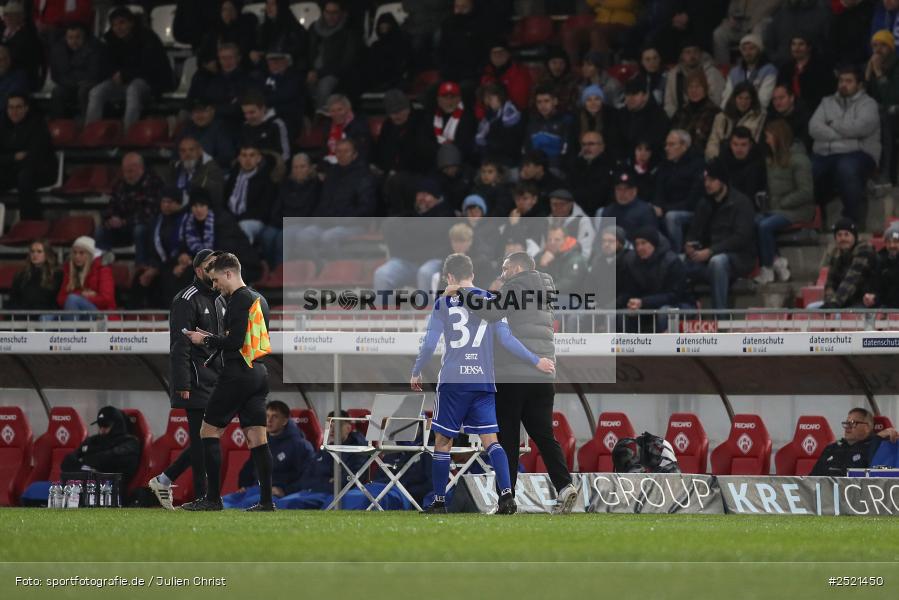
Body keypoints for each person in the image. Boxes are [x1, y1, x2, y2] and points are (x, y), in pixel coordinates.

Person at [413, 253, 556, 514]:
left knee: (443, 441)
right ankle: (506, 495)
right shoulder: (491, 299)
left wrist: (417, 370)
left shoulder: (443, 302)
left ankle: (439, 501)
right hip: (483, 380)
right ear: (473, 275)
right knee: (492, 441)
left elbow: (430, 343)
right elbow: (507, 339)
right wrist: (537, 361)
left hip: (454, 380)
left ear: (449, 277)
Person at [450, 251, 577, 514]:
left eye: (505, 268)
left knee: (506, 439)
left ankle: (506, 499)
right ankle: (565, 486)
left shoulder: (516, 285)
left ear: (518, 268)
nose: (502, 273)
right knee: (544, 435)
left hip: (515, 375)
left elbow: (492, 312)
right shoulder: (546, 286)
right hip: (544, 375)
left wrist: (462, 292)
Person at [182, 252, 274, 512]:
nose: (215, 286)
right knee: (257, 438)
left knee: (208, 432)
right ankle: (266, 502)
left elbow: (234, 343)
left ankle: (212, 498)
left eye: (216, 280)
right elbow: (245, 339)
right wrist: (214, 336)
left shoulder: (238, 299)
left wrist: (205, 340)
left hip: (238, 373)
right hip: (259, 373)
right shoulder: (260, 299)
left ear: (229, 273)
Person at [148, 249, 224, 510]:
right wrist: (182, 384)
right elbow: (180, 346)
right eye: (210, 264)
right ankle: (203, 497)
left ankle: (164, 479)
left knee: (207, 440)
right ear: (199, 270)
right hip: (195, 379)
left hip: (215, 379)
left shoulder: (220, 299)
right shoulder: (186, 299)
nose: (215, 268)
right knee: (203, 440)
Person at [809, 65, 881, 224]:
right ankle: (816, 219)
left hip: (859, 153)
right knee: (809, 171)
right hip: (826, 153)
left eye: (849, 81)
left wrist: (832, 124)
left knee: (846, 168)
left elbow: (860, 127)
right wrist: (842, 134)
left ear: (859, 85)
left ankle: (852, 222)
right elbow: (813, 128)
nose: (843, 84)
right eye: (841, 80)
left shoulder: (868, 104)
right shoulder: (826, 102)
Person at [683, 160, 756, 309]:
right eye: (706, 180)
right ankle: (688, 310)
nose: (707, 184)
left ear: (722, 181)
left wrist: (711, 251)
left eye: (712, 180)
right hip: (706, 256)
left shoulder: (741, 202)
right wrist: (689, 244)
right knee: (676, 262)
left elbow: (741, 238)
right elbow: (694, 232)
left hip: (738, 258)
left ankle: (719, 318)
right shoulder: (704, 203)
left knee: (718, 261)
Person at [85, 6, 173, 130]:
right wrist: (114, 73)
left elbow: (151, 67)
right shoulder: (109, 39)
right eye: (114, 25)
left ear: (131, 23)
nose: (118, 28)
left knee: (133, 89)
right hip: (121, 81)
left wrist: (125, 74)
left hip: (149, 82)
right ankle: (91, 132)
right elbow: (103, 65)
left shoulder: (148, 37)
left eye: (122, 23)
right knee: (96, 92)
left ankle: (129, 133)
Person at [222, 401, 315, 509]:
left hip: (274, 493)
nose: (269, 420)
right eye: (267, 416)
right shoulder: (261, 442)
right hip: (253, 489)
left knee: (241, 506)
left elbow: (308, 475)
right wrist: (244, 486)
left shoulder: (300, 445)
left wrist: (285, 491)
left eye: (275, 416)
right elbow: (249, 468)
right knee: (221, 502)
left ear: (285, 421)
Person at [754, 119, 814, 284]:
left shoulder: (799, 160)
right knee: (755, 221)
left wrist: (783, 203)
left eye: (769, 137)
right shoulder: (771, 161)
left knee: (765, 226)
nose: (766, 141)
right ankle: (777, 261)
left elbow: (806, 192)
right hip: (778, 208)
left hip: (798, 210)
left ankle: (767, 268)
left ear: (778, 138)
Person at [96, 153, 164, 265]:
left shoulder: (153, 183)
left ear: (141, 168)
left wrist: (124, 221)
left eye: (130, 171)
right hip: (123, 227)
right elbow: (111, 206)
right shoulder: (121, 185)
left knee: (140, 230)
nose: (127, 175)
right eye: (125, 171)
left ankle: (141, 266)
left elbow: (150, 213)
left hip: (145, 227)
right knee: (101, 231)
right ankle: (102, 265)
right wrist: (111, 219)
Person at [129, 189, 191, 310]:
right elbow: (153, 249)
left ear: (178, 204)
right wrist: (153, 267)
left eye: (170, 202)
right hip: (160, 264)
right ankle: (132, 318)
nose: (166, 205)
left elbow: (186, 246)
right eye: (163, 202)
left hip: (180, 262)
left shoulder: (186, 220)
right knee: (140, 277)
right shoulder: (157, 221)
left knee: (171, 276)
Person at [618, 227, 687, 333]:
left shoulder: (672, 261)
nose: (639, 247)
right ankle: (630, 348)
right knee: (623, 314)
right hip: (646, 306)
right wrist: (631, 303)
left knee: (665, 311)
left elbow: (675, 295)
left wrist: (644, 302)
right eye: (637, 244)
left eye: (644, 243)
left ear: (654, 244)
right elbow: (630, 291)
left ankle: (663, 348)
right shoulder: (632, 262)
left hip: (677, 304)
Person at [0, 93, 57, 220]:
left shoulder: (37, 126)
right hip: (13, 168)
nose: (14, 111)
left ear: (26, 108)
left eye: (18, 107)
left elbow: (34, 155)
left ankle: (30, 223)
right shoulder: (3, 126)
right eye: (11, 107)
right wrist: (13, 157)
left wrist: (8, 160)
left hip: (41, 170)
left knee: (25, 178)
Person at [60, 406, 141, 486]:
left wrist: (83, 460)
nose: (101, 430)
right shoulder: (93, 440)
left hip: (109, 491)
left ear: (117, 425)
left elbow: (110, 459)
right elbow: (68, 460)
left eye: (105, 425)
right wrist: (89, 463)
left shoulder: (130, 442)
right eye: (100, 425)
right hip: (82, 486)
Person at [653, 129, 705, 253]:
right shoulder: (665, 164)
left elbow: (693, 201)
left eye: (671, 144)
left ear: (684, 146)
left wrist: (664, 209)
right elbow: (658, 189)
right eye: (666, 144)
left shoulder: (698, 165)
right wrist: (657, 206)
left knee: (672, 217)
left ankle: (676, 255)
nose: (666, 148)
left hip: (691, 212)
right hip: (667, 208)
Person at [264, 153, 320, 267]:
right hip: (282, 222)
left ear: (309, 168)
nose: (298, 170)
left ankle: (281, 271)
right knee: (267, 235)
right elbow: (277, 207)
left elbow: (314, 210)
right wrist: (279, 222)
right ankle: (270, 268)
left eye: (302, 166)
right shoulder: (285, 184)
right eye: (295, 167)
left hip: (302, 223)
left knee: (283, 237)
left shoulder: (317, 185)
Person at [187, 43, 252, 138]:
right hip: (210, 122)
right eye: (223, 58)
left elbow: (239, 107)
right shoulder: (212, 80)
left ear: (238, 58)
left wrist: (214, 110)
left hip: (234, 125)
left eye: (230, 57)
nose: (227, 61)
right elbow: (203, 101)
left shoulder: (247, 79)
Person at [810, 408, 899, 476]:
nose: (847, 427)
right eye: (846, 423)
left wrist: (877, 439)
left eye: (853, 423)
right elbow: (811, 479)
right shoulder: (831, 448)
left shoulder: (876, 447)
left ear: (867, 427)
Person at [307, 0, 360, 111]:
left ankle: (320, 119)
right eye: (328, 12)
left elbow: (346, 62)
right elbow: (306, 52)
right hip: (313, 70)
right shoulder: (314, 29)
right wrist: (309, 70)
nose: (330, 16)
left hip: (333, 72)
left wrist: (320, 73)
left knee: (324, 87)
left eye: (335, 12)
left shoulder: (348, 32)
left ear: (341, 13)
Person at [48, 22, 104, 119]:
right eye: (70, 37)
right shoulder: (58, 50)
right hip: (68, 84)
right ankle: (59, 125)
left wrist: (74, 80)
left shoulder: (95, 48)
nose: (74, 41)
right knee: (57, 91)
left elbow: (94, 73)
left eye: (77, 37)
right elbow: (55, 75)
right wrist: (70, 82)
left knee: (84, 91)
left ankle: (87, 125)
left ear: (84, 37)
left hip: (88, 85)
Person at [223, 143, 276, 245]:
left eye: (252, 155)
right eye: (244, 155)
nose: (247, 160)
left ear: (259, 158)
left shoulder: (266, 180)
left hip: (254, 220)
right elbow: (224, 201)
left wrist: (236, 220)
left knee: (243, 228)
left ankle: (243, 260)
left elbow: (263, 210)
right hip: (231, 218)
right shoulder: (233, 177)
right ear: (239, 158)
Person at [818, 218, 877, 308]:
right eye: (839, 235)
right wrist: (829, 302)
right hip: (842, 302)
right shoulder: (836, 253)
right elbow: (830, 282)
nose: (843, 238)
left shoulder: (864, 250)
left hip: (863, 301)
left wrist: (835, 302)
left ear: (854, 236)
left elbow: (852, 279)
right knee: (811, 309)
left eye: (846, 234)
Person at [375, 89, 435, 176]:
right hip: (390, 173)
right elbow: (381, 151)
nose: (397, 115)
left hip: (418, 173)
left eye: (401, 110)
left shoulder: (422, 121)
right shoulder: (388, 125)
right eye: (393, 112)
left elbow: (425, 154)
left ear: (408, 108)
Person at [663, 38, 726, 118]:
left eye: (695, 51)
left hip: (707, 117)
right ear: (682, 55)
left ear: (700, 54)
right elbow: (669, 103)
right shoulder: (673, 74)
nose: (692, 56)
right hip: (680, 119)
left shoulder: (712, 72)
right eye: (688, 52)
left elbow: (717, 100)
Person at [775, 34, 835, 114]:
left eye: (801, 44)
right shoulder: (786, 68)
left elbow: (826, 95)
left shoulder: (821, 68)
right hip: (789, 111)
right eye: (793, 44)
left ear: (809, 47)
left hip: (815, 111)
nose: (796, 48)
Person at [596, 167, 659, 241]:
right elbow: (602, 238)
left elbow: (651, 239)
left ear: (634, 191)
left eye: (626, 189)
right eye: (619, 189)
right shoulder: (608, 211)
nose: (622, 193)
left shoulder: (646, 211)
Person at [57, 236, 116, 313]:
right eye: (74, 253)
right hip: (76, 311)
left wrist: (78, 298)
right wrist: (81, 294)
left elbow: (106, 299)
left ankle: (72, 325)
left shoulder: (103, 270)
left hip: (101, 313)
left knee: (72, 299)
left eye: (81, 253)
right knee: (46, 317)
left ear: (90, 255)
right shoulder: (69, 269)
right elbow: (60, 299)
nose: (77, 256)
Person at [706, 81, 765, 159]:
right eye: (740, 98)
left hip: (745, 161)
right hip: (721, 160)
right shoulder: (721, 117)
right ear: (734, 98)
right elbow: (712, 142)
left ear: (752, 100)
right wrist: (717, 158)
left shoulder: (759, 118)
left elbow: (755, 143)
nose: (743, 102)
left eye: (747, 98)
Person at [712, 0, 781, 66]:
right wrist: (731, 18)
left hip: (759, 25)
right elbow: (733, 7)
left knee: (759, 29)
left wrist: (749, 25)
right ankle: (724, 68)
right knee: (719, 33)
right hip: (740, 24)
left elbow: (766, 11)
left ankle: (754, 68)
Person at [436, 0, 489, 86]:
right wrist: (444, 68)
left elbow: (484, 52)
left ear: (471, 7)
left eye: (464, 7)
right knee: (432, 91)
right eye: (457, 7)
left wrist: (477, 71)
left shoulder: (480, 25)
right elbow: (441, 50)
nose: (460, 10)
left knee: (464, 88)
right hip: (449, 73)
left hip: (471, 74)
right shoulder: (447, 24)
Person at [764, 0, 832, 65]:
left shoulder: (822, 12)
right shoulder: (780, 12)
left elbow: (830, 43)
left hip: (814, 71)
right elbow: (769, 42)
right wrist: (777, 59)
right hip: (782, 69)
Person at [721, 34, 778, 109]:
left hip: (758, 114)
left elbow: (763, 100)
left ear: (759, 50)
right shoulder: (734, 72)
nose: (747, 53)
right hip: (735, 113)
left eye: (751, 48)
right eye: (744, 49)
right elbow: (727, 97)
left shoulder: (769, 70)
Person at [619, 75, 671, 157]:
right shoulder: (621, 114)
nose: (630, 98)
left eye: (635, 94)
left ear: (645, 96)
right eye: (627, 94)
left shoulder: (658, 116)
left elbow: (654, 144)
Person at [164, 136, 224, 206]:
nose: (187, 154)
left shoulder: (212, 170)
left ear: (200, 151)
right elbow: (167, 192)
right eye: (183, 151)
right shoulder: (175, 168)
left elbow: (213, 199)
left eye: (191, 150)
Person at [475, 83, 524, 169]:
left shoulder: (511, 113)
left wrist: (489, 145)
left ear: (500, 96)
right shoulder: (490, 115)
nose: (489, 101)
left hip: (508, 162)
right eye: (487, 98)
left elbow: (510, 144)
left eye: (491, 98)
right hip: (491, 159)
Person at [260, 49, 305, 140]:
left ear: (286, 62)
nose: (275, 65)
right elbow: (258, 95)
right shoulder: (264, 77)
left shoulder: (294, 77)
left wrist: (266, 102)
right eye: (271, 62)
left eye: (278, 62)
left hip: (288, 117)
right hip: (266, 114)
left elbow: (286, 96)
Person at [671, 71, 721, 153]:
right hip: (677, 154)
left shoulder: (714, 112)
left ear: (705, 89)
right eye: (690, 87)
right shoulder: (681, 111)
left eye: (698, 87)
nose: (694, 90)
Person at [182, 97, 238, 170]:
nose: (199, 115)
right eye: (195, 112)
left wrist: (200, 162)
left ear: (212, 111)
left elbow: (226, 157)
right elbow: (176, 155)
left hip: (215, 173)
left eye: (203, 111)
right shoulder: (187, 129)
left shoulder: (221, 128)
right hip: (190, 172)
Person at [535, 225, 588, 300]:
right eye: (549, 240)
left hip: (572, 299)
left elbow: (568, 284)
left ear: (566, 240)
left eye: (557, 240)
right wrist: (542, 266)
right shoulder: (542, 255)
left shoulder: (575, 258)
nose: (552, 243)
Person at [567, 130, 614, 217]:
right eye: (584, 144)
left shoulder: (610, 166)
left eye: (591, 144)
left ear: (602, 147)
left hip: (603, 212)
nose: (586, 148)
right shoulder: (575, 165)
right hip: (577, 212)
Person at [253, 0, 309, 70]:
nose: (269, 7)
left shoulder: (293, 28)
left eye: (273, 4)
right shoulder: (263, 28)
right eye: (267, 4)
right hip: (266, 70)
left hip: (287, 71)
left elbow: (299, 54)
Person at [239, 89, 290, 166]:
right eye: (245, 113)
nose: (248, 117)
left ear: (262, 108)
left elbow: (285, 155)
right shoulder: (245, 127)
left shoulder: (276, 124)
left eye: (252, 112)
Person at [364, 11, 411, 92]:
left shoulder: (401, 44)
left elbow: (402, 66)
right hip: (376, 83)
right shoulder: (375, 46)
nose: (383, 27)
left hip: (395, 83)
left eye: (386, 24)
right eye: (381, 24)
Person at [8, 239, 61, 311]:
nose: (35, 254)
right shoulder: (21, 275)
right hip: (23, 315)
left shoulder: (56, 274)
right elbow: (13, 299)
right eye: (32, 251)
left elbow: (54, 301)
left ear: (47, 254)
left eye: (39, 251)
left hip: (46, 314)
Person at [480, 39, 532, 112]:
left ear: (508, 54)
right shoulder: (486, 75)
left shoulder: (519, 73)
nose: (497, 55)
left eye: (501, 52)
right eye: (494, 53)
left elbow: (520, 103)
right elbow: (480, 104)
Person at [0, 1, 43, 91]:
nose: (9, 18)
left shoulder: (28, 35)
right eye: (7, 15)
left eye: (13, 15)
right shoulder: (2, 31)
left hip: (19, 74)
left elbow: (25, 59)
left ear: (21, 17)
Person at [432, 81, 477, 163]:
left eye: (453, 97)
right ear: (438, 99)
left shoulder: (467, 117)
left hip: (461, 162)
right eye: (445, 97)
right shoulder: (431, 116)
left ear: (459, 99)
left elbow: (464, 146)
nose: (449, 101)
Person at [323, 93, 372, 166]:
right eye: (332, 111)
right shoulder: (328, 126)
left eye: (340, 109)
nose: (336, 114)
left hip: (354, 168)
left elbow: (363, 154)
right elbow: (324, 150)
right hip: (332, 166)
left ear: (348, 109)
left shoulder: (359, 126)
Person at [720, 126, 768, 200]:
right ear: (730, 144)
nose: (739, 149)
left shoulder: (757, 165)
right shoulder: (723, 160)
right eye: (735, 144)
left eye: (743, 145)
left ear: (750, 145)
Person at [547, 189, 595, 259]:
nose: (558, 208)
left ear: (570, 205)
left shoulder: (583, 221)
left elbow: (585, 250)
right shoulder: (548, 220)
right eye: (554, 204)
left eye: (562, 204)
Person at [576, 84, 619, 157]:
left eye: (597, 99)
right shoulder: (577, 119)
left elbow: (614, 143)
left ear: (602, 101)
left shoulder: (611, 117)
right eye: (589, 100)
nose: (593, 103)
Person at [767, 84, 812, 151]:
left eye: (781, 98)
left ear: (791, 98)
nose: (777, 102)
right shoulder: (771, 116)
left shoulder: (805, 116)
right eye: (774, 99)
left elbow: (804, 143)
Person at [538, 46, 580, 112]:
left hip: (566, 116)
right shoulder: (540, 81)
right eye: (554, 63)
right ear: (547, 64)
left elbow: (575, 105)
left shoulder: (573, 81)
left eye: (561, 63)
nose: (558, 67)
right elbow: (533, 103)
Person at [867, 223, 899, 307]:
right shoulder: (879, 260)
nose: (892, 245)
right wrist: (872, 297)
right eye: (889, 242)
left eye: (896, 242)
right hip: (884, 308)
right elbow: (875, 287)